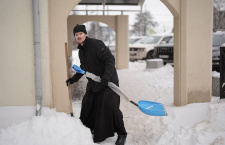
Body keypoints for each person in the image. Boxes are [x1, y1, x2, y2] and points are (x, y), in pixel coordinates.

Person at [66, 24, 127, 145]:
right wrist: (74, 79)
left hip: (108, 81)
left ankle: (122, 134)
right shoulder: (81, 51)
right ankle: (90, 129)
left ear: (85, 34)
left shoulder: (96, 44)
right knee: (88, 104)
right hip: (94, 82)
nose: (79, 36)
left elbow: (110, 59)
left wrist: (106, 77)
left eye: (81, 34)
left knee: (112, 108)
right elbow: (84, 67)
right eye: (76, 34)